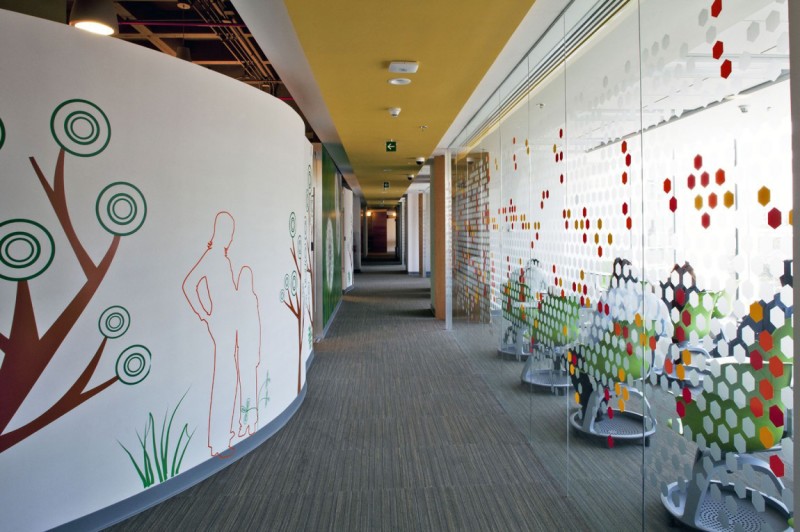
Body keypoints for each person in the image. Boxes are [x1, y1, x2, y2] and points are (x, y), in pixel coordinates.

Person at [182, 211, 261, 456]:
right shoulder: (212, 257)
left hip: (228, 324)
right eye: (229, 233)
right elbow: (189, 284)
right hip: (222, 325)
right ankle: (218, 439)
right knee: (224, 375)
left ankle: (225, 433)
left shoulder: (221, 259)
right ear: (222, 233)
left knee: (229, 375)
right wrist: (205, 314)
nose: (230, 238)